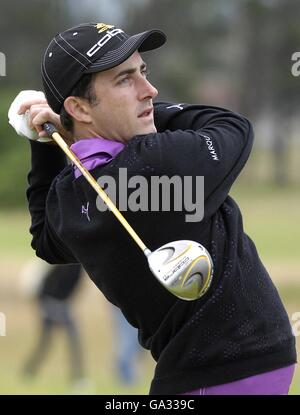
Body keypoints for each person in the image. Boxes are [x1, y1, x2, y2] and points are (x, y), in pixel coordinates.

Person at [17, 22, 296, 395]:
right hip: (232, 371)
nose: (149, 90)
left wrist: (47, 139)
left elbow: (47, 242)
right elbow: (232, 126)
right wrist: (149, 113)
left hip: (202, 375)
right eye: (124, 80)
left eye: (143, 72)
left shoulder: (72, 195)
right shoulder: (157, 162)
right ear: (79, 107)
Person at [20, 260, 85, 386]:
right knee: (73, 340)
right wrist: (48, 308)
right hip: (51, 304)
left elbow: (69, 289)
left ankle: (29, 371)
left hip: (60, 305)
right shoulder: (68, 263)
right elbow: (47, 287)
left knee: (46, 343)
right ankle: (78, 379)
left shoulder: (80, 265)